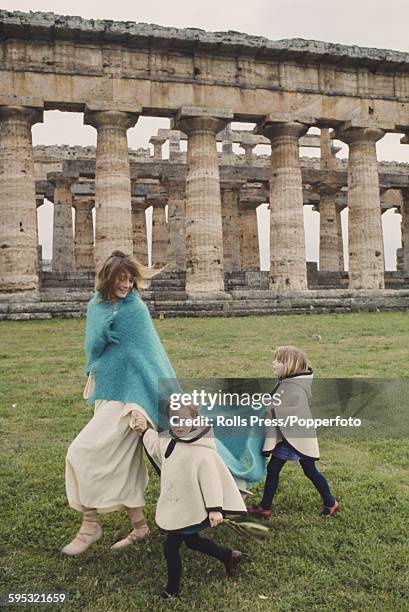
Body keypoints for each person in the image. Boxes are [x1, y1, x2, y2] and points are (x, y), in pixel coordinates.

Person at [62, 250, 178, 555]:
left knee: (81, 451)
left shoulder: (135, 310)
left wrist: (158, 396)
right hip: (110, 391)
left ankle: (90, 525)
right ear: (108, 279)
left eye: (130, 280)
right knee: (125, 461)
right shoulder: (96, 306)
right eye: (121, 280)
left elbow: (148, 356)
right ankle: (140, 527)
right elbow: (94, 349)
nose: (126, 286)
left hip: (136, 396)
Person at [133, 404, 246, 598]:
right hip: (178, 505)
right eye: (174, 419)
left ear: (195, 419)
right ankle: (229, 556)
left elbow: (212, 482)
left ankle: (172, 590)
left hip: (193, 507)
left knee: (170, 549)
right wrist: (144, 430)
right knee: (192, 541)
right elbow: (155, 445)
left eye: (184, 419)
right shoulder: (169, 439)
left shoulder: (202, 451)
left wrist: (215, 509)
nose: (179, 424)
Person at [248, 346, 339, 519]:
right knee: (274, 469)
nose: (273, 363)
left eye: (278, 360)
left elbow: (291, 411)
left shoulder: (295, 388)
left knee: (309, 471)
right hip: (287, 437)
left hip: (296, 438)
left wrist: (269, 409)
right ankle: (265, 507)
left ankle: (331, 502)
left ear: (289, 365)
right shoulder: (287, 382)